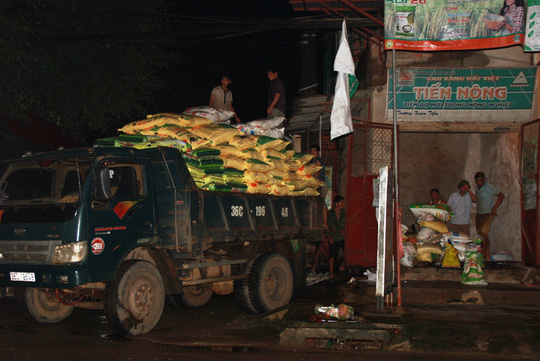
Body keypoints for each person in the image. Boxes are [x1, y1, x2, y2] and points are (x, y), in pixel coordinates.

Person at [473, 171, 505, 261]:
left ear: (484, 179)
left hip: (488, 213)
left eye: (480, 180)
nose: (479, 182)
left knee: (484, 232)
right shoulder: (477, 188)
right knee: (481, 233)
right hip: (479, 213)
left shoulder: (489, 187)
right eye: (477, 181)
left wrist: (494, 208)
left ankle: (484, 255)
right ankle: (487, 253)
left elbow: (501, 196)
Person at [326, 195, 346, 279]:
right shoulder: (330, 213)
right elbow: (326, 227)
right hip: (333, 238)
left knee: (347, 253)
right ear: (336, 204)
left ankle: (343, 266)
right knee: (332, 256)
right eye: (342, 203)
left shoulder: (344, 212)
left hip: (342, 237)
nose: (343, 204)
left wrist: (344, 232)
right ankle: (331, 273)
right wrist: (329, 237)